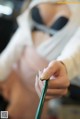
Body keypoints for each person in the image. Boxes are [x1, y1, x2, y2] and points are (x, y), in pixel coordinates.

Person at [0, 0, 80, 118]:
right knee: (5, 113)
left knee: (17, 114)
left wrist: (65, 65)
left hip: (39, 79)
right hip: (17, 67)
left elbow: (76, 48)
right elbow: (20, 36)